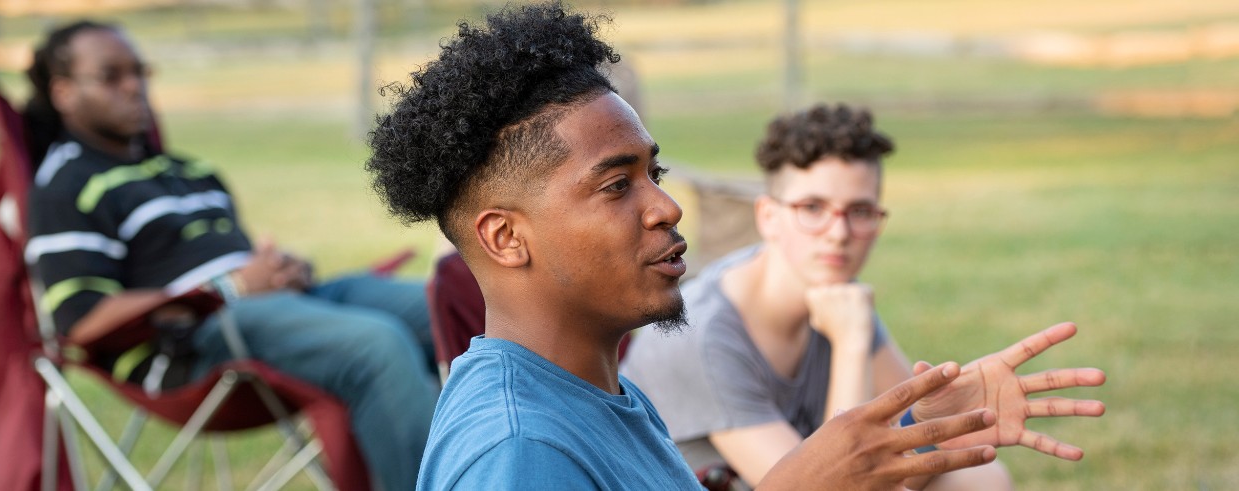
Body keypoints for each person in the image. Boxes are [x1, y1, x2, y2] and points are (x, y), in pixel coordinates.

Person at [367, 3, 1105, 490]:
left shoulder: (602, 395)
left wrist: (918, 416)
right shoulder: (520, 448)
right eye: (616, 185)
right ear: (505, 237)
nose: (666, 206)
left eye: (653, 174)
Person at [23, 20, 437, 490]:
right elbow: (80, 320)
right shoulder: (66, 186)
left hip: (275, 306)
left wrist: (282, 271)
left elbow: (234, 261)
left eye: (139, 71)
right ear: (63, 92)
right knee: (377, 346)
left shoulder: (191, 170)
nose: (134, 86)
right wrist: (231, 288)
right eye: (111, 76)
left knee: (446, 308)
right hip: (191, 344)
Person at [621, 104, 1087, 489]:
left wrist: (935, 419)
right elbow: (841, 484)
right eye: (813, 208)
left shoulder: (833, 295)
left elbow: (901, 450)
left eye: (860, 211)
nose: (839, 233)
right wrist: (850, 343)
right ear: (768, 217)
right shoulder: (702, 339)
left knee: (979, 478)